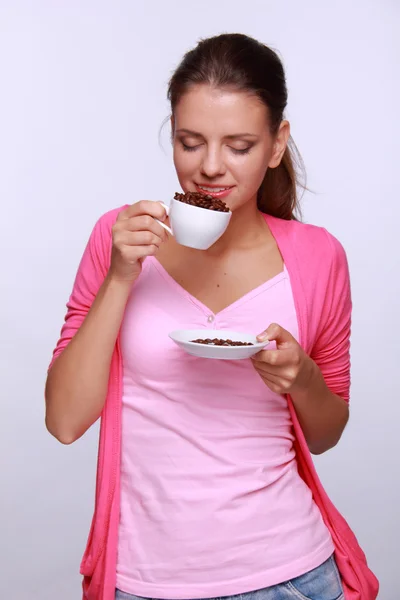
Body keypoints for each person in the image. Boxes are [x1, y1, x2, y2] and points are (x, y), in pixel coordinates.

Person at [45, 33, 378, 600]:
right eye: (190, 142)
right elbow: (65, 421)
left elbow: (326, 434)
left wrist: (303, 378)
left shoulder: (319, 256)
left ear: (277, 145)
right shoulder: (120, 238)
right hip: (145, 584)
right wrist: (121, 276)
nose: (210, 168)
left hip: (292, 577)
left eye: (240, 146)